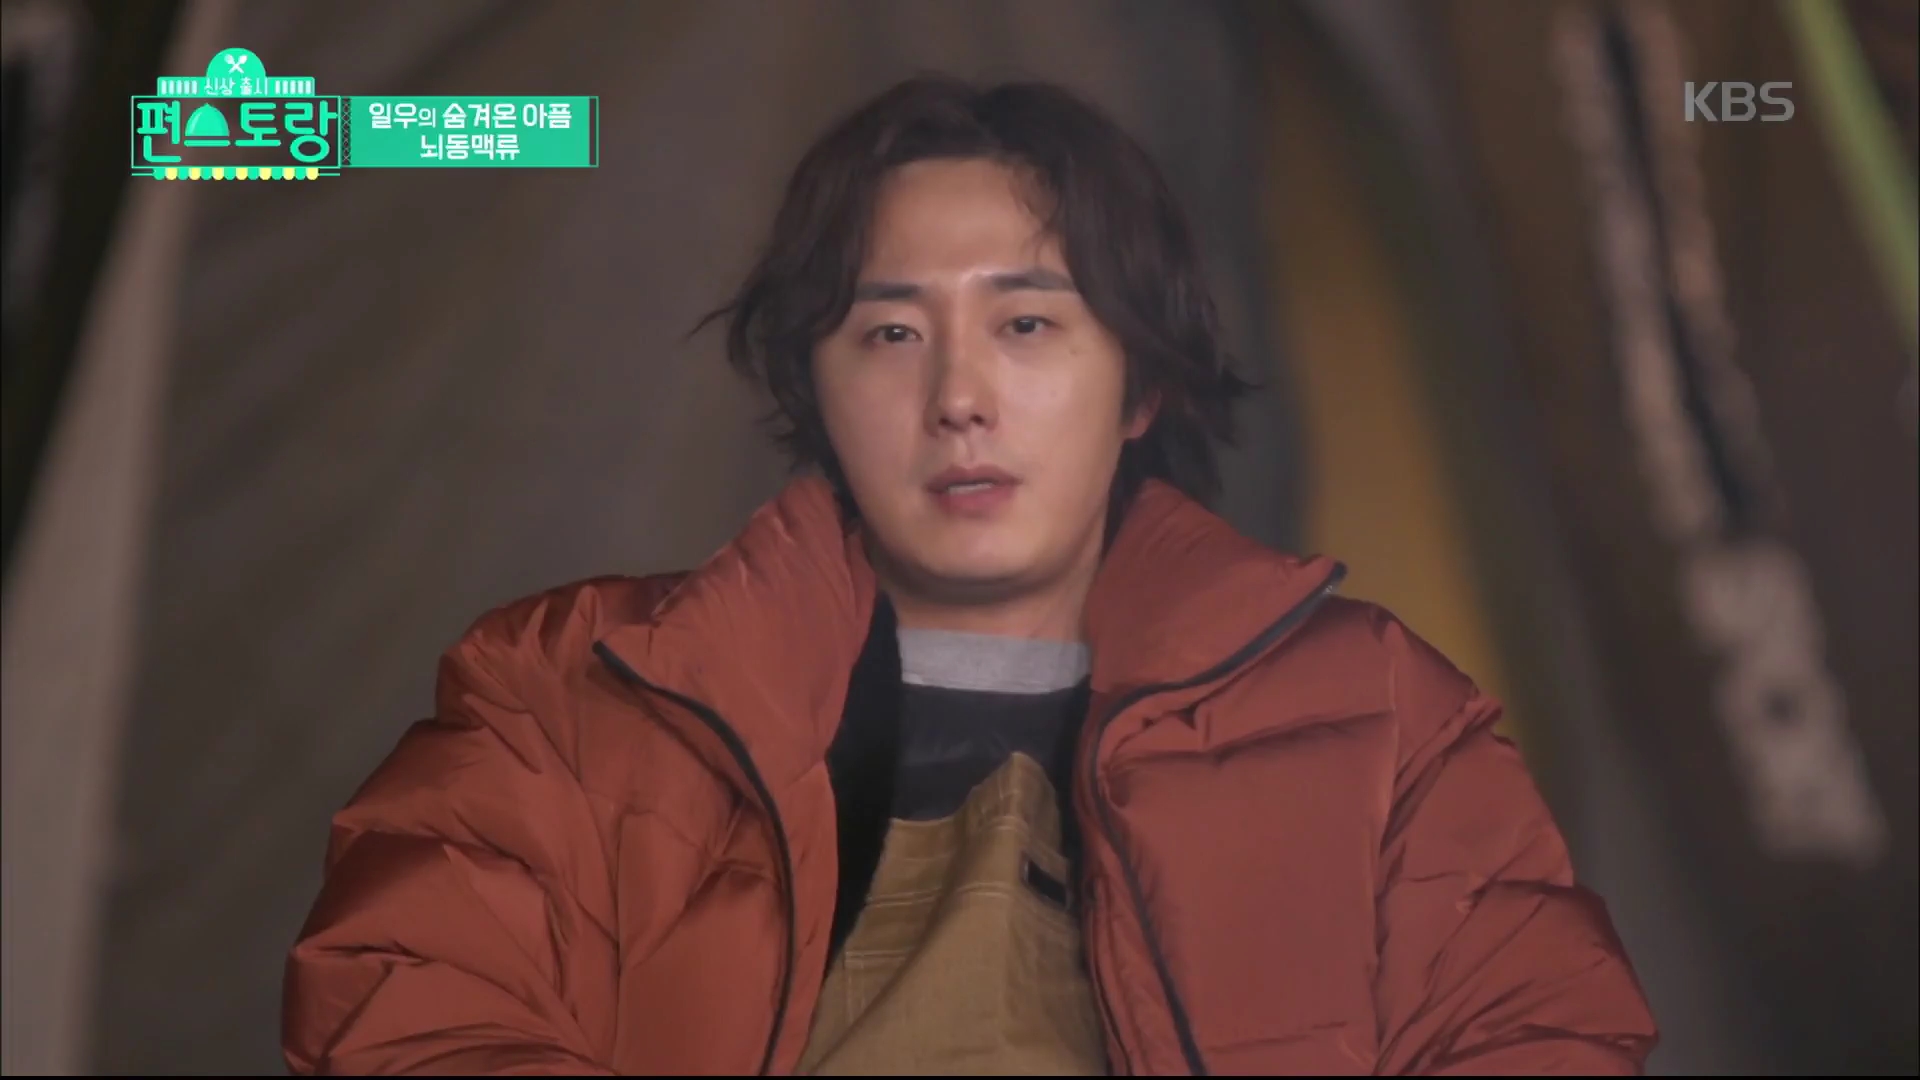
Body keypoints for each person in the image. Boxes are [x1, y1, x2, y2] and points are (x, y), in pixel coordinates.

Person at [282, 75, 1658, 1076]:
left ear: (1140, 388)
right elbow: (410, 1010)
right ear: (813, 392)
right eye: (890, 334)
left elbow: (1539, 1029)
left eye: (1028, 325)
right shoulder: (572, 694)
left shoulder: (1378, 713)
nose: (959, 397)